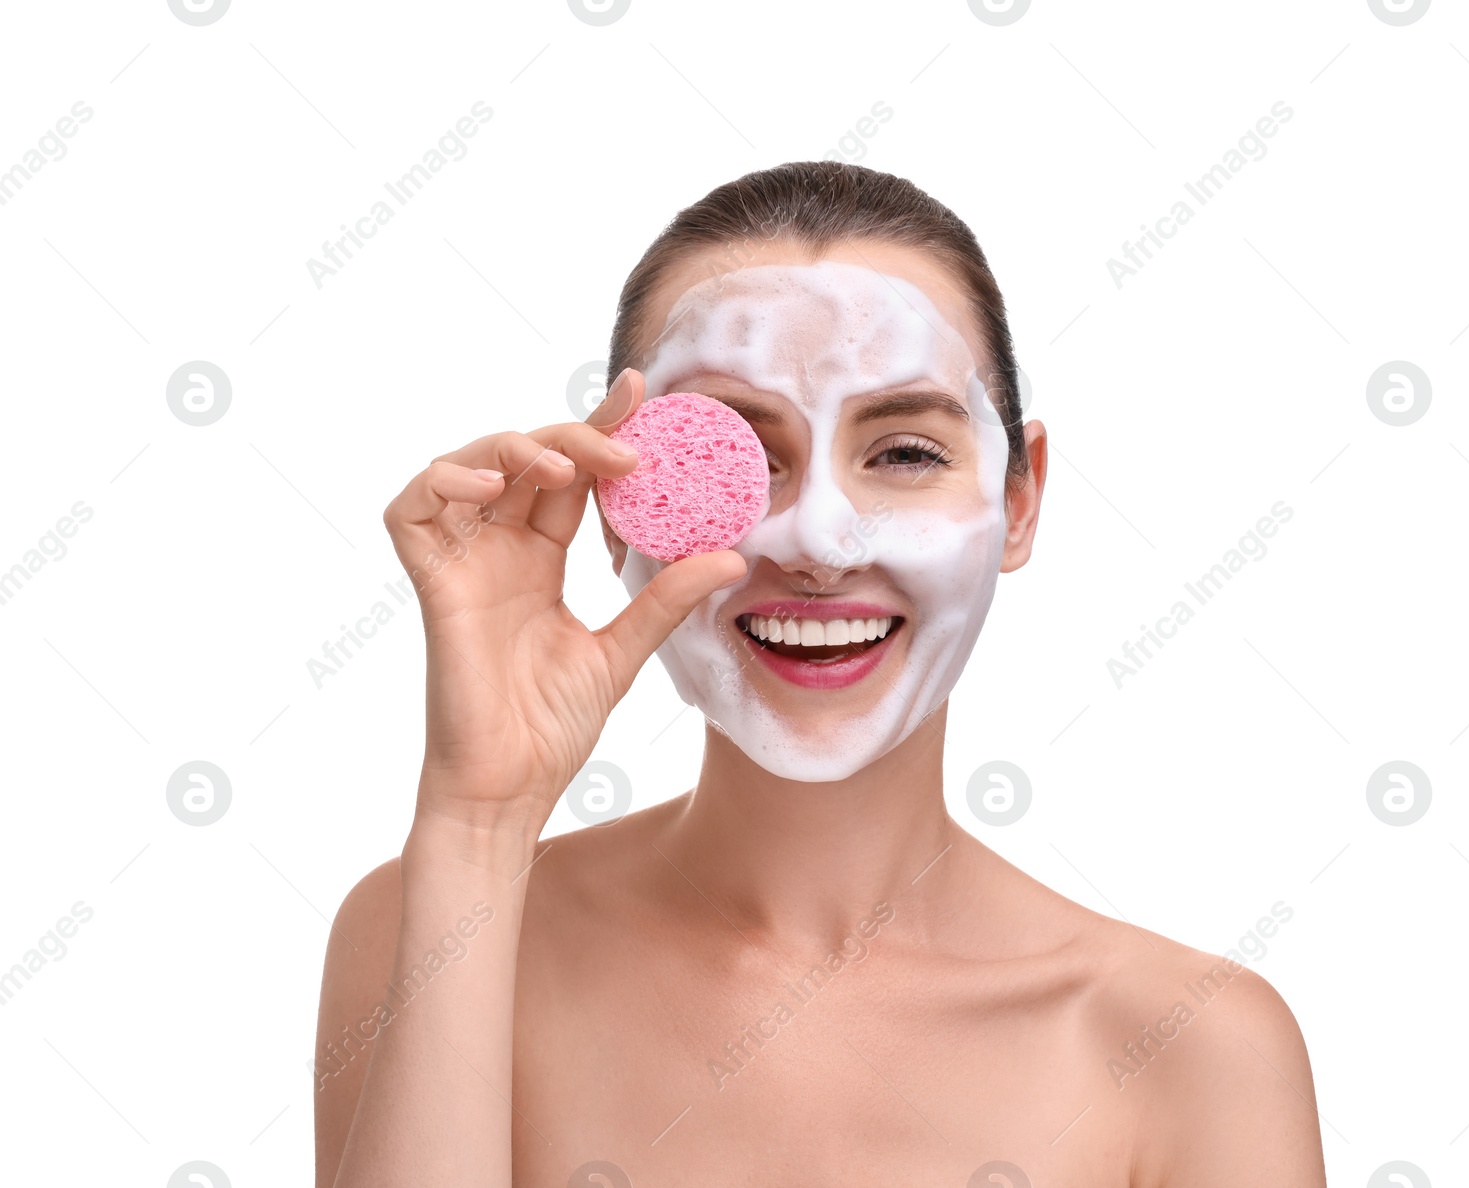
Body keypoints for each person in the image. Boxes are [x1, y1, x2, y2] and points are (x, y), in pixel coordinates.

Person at [314, 161, 1326, 1186]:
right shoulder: (430, 925)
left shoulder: (1194, 1049)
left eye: (903, 454)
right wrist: (477, 825)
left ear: (1020, 502)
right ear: (619, 507)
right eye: (742, 456)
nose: (819, 542)